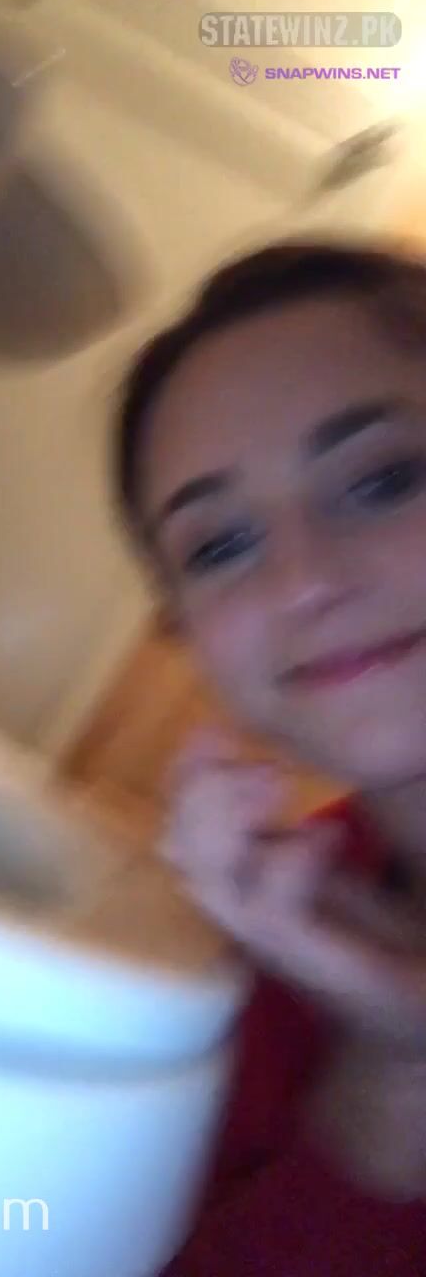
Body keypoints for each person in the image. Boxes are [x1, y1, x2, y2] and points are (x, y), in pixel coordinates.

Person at [114, 239, 426, 1274]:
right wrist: (393, 1074)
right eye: (219, 546)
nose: (302, 582)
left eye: (385, 478)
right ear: (182, 627)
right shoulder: (293, 926)